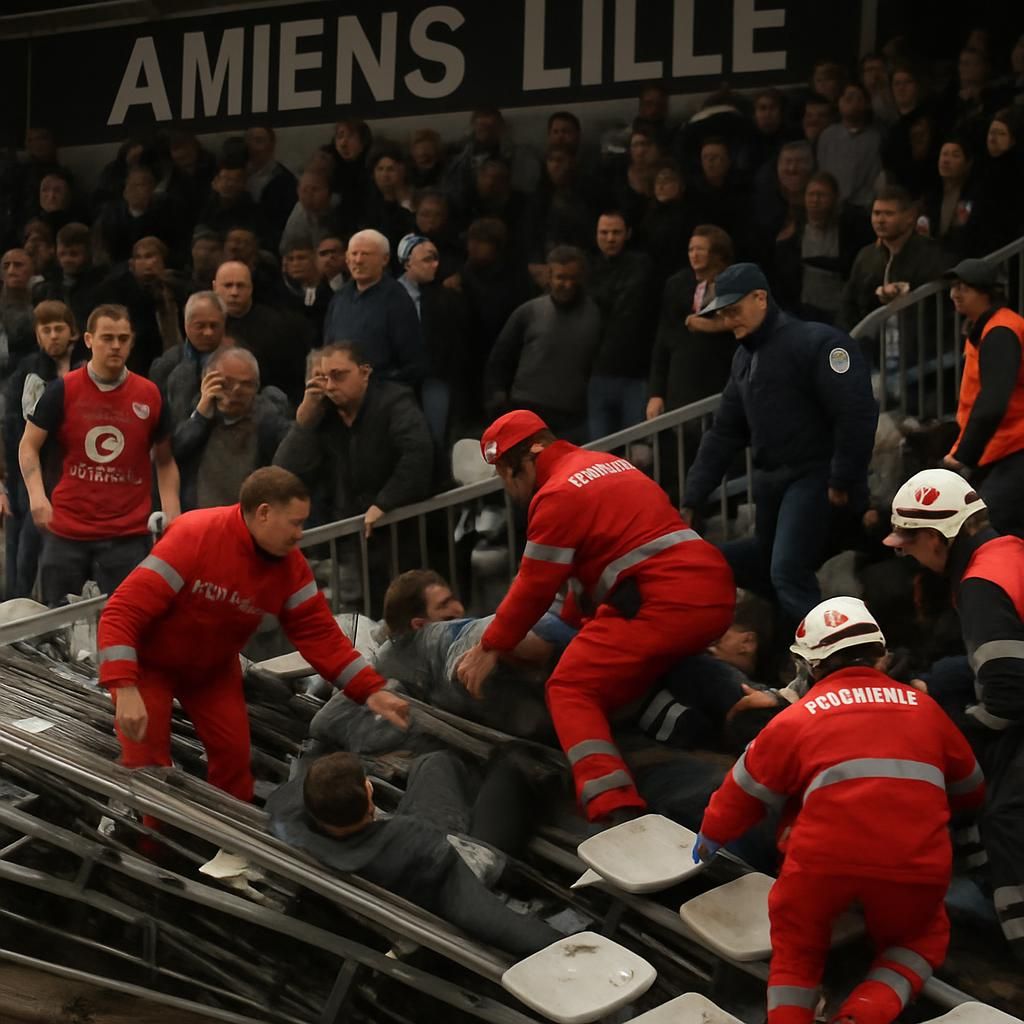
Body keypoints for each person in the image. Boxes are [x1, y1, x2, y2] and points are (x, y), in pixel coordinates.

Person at [694, 597, 985, 1024]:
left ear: (811, 666)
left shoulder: (798, 718)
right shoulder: (927, 710)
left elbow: (743, 789)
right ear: (879, 655)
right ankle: (864, 1014)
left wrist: (712, 833)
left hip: (820, 865)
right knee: (922, 937)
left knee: (797, 952)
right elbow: (971, 791)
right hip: (914, 865)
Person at [456, 410, 735, 822]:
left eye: (504, 475)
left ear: (521, 462)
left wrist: (489, 646)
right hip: (711, 589)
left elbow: (534, 586)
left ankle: (612, 803)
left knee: (570, 686)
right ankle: (745, 722)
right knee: (647, 669)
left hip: (662, 600)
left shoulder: (555, 496)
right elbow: (581, 586)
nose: (508, 487)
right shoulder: (606, 464)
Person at [95, 467, 408, 811]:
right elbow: (121, 612)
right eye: (295, 523)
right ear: (263, 513)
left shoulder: (290, 568)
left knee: (233, 758)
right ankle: (150, 848)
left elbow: (319, 635)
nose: (300, 534)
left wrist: (370, 690)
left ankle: (227, 850)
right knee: (147, 763)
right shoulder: (194, 536)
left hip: (212, 670)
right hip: (149, 666)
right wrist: (124, 686)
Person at [682, 263, 878, 626]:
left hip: (815, 477)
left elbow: (856, 412)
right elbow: (723, 433)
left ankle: (837, 660)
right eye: (723, 315)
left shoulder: (818, 342)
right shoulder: (744, 359)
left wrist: (842, 478)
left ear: (761, 298)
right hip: (773, 484)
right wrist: (693, 497)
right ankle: (792, 653)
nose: (729, 321)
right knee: (742, 563)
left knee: (787, 570)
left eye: (734, 311)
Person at [882, 470, 1024, 962]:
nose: (906, 554)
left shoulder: (981, 583)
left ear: (936, 537)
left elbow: (1007, 696)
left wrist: (948, 730)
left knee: (1006, 818)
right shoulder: (1007, 551)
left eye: (909, 543)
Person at [267, 749, 560, 957]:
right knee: (503, 765)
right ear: (369, 791)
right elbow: (490, 918)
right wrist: (559, 944)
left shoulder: (295, 829)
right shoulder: (419, 849)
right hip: (455, 853)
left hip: (391, 846)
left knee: (433, 764)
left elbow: (285, 799)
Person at [19, 304, 181, 605]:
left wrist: (173, 513)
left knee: (127, 619)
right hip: (67, 530)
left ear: (132, 341)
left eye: (123, 338)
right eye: (108, 337)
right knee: (54, 628)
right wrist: (37, 497)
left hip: (128, 534)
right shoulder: (62, 390)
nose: (116, 345)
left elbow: (165, 460)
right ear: (89, 340)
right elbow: (28, 444)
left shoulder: (150, 395)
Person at [2, 300, 81, 598]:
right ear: (37, 335)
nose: (53, 336)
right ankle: (19, 611)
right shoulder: (26, 373)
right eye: (45, 330)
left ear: (73, 332)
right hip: (30, 471)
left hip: (74, 471)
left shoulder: (86, 368)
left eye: (59, 328)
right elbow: (10, 429)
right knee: (26, 549)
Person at [485, 246, 601, 443]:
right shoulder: (528, 312)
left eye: (573, 277)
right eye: (561, 277)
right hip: (528, 410)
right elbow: (500, 358)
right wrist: (497, 395)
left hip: (573, 416)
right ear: (549, 275)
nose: (567, 284)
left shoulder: (596, 315)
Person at [942, 259, 1024, 537]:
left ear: (986, 292)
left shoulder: (1001, 331)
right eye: (954, 287)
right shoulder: (988, 328)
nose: (955, 293)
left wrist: (963, 454)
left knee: (982, 529)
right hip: (1001, 449)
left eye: (964, 287)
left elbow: (993, 402)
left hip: (1014, 447)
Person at [172, 348, 290, 511]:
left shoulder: (270, 422)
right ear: (206, 381)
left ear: (257, 387)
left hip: (247, 523)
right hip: (199, 522)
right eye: (226, 382)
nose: (236, 390)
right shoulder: (191, 412)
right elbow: (171, 455)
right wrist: (200, 417)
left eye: (246, 384)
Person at [837, 186, 949, 332]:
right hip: (873, 345)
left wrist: (904, 293)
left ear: (909, 218)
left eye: (889, 214)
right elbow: (849, 303)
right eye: (876, 213)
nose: (880, 220)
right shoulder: (866, 256)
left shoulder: (932, 254)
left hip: (922, 345)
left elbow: (940, 304)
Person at [321, 229, 424, 386]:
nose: (358, 260)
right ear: (347, 259)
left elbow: (410, 360)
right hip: (340, 390)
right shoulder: (339, 297)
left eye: (366, 254)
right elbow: (328, 346)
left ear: (385, 259)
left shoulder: (397, 298)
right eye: (354, 254)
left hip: (383, 393)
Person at [586, 211, 655, 439]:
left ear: (628, 234)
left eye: (616, 232)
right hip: (598, 372)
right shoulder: (589, 268)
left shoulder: (641, 265)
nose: (610, 238)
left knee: (636, 449)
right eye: (604, 232)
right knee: (599, 450)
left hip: (634, 372)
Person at [397, 233, 468, 451]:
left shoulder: (444, 296)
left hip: (435, 376)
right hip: (401, 379)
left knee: (436, 438)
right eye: (427, 259)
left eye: (436, 258)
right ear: (407, 262)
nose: (435, 264)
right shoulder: (392, 296)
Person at [213, 260, 310, 404]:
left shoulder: (276, 325)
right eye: (228, 285)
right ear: (214, 287)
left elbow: (292, 378)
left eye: (240, 286)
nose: (234, 292)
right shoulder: (208, 324)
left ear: (251, 288)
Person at [815, 82, 883, 209]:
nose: (853, 103)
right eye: (848, 98)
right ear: (839, 102)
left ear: (867, 104)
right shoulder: (827, 135)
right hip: (831, 205)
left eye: (859, 98)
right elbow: (822, 171)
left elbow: (875, 174)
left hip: (863, 206)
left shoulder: (875, 138)